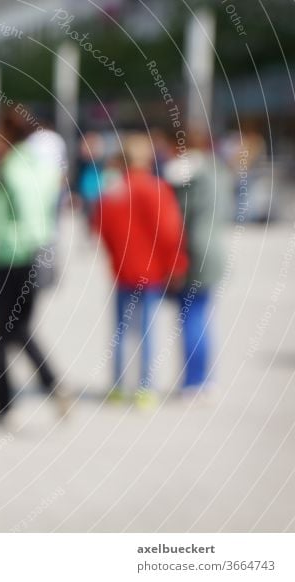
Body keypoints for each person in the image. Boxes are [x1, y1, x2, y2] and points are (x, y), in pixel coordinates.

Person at [0, 107, 71, 423]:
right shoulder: (43, 164)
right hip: (38, 251)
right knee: (21, 328)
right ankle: (51, 385)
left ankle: (7, 402)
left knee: (4, 331)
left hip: (11, 255)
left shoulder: (8, 167)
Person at [91, 133, 189, 408]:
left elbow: (100, 226)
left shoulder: (113, 189)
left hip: (122, 269)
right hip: (151, 271)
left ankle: (119, 386)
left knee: (121, 329)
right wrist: (176, 264)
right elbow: (170, 232)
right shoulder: (156, 189)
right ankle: (145, 388)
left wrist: (114, 256)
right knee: (147, 330)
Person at [164, 129, 231, 399]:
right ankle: (205, 379)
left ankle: (193, 382)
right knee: (202, 317)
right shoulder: (217, 171)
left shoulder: (184, 175)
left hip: (194, 253)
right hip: (215, 249)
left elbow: (175, 219)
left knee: (190, 318)